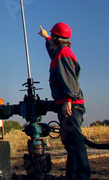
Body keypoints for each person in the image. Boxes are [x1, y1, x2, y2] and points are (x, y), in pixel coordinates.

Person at [38, 22, 91, 180]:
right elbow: (52, 52)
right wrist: (46, 37)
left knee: (75, 144)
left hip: (70, 107)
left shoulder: (63, 54)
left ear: (56, 38)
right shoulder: (60, 52)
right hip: (67, 105)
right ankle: (73, 177)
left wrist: (68, 99)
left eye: (52, 36)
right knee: (71, 144)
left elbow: (69, 80)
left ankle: (81, 177)